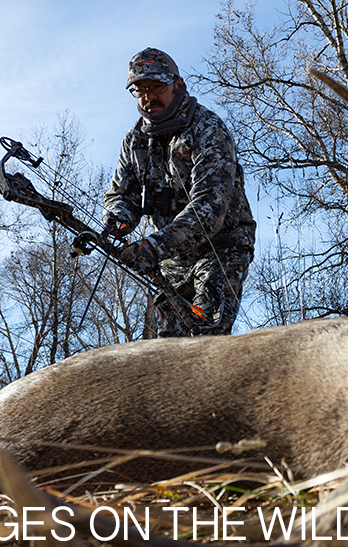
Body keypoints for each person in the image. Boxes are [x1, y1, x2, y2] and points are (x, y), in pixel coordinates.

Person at [101, 48, 256, 337]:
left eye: (157, 86)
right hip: (172, 259)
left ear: (178, 84)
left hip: (220, 248)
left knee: (205, 334)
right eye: (140, 90)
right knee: (168, 345)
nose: (149, 96)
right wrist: (117, 221)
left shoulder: (207, 128)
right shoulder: (135, 140)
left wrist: (152, 248)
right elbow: (121, 195)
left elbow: (209, 209)